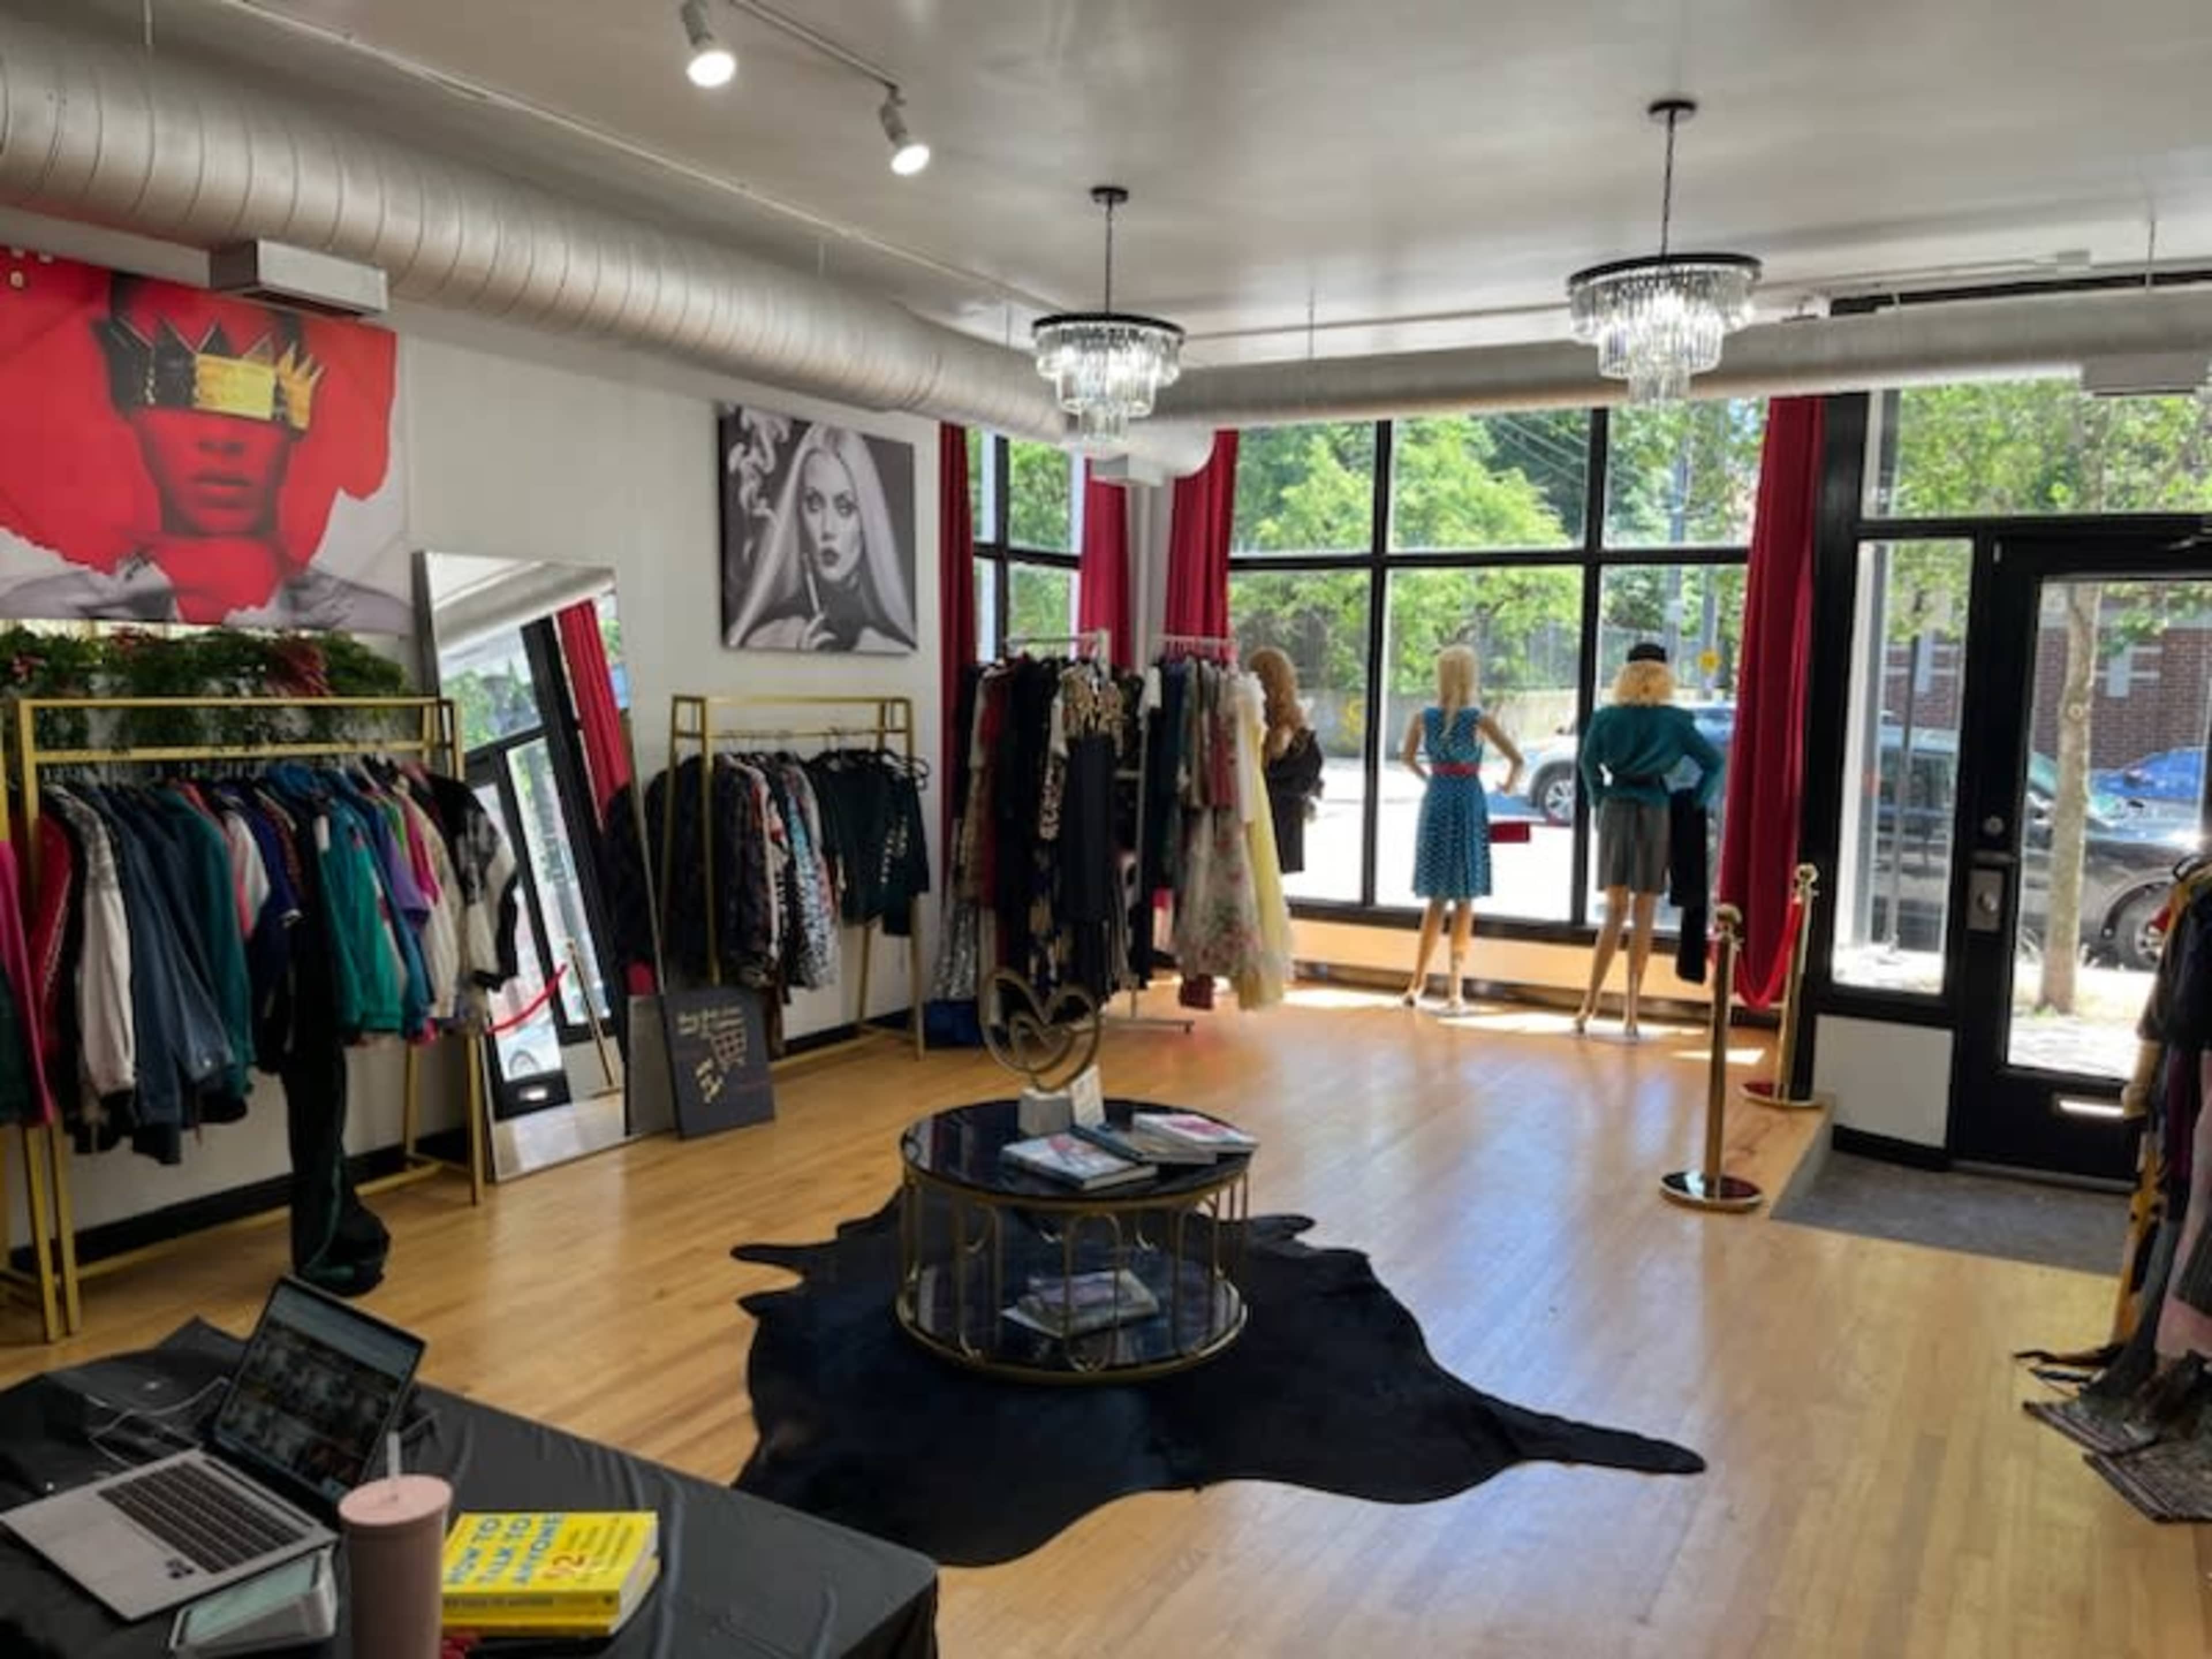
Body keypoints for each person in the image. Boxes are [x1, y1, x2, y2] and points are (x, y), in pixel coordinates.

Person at [2, 275, 409, 630]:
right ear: (133, 419)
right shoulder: (49, 610)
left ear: (295, 428)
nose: (222, 438)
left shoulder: (373, 619)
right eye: (178, 394)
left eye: (262, 401)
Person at [1573, 642, 1725, 1038]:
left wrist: (1598, 797)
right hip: (1656, 810)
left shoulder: (1606, 719)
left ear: (1626, 675)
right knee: (1644, 909)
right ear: (1663, 676)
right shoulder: (1676, 721)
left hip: (1616, 808)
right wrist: (1697, 799)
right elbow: (1714, 763)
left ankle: (1588, 1005)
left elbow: (1588, 764)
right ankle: (1631, 1011)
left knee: (1613, 909)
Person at [1400, 644, 1522, 1013]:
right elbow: (1517, 759)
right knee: (1465, 895)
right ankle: (1455, 989)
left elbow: (1406, 759)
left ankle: (1417, 983)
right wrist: (1507, 786)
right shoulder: (1479, 720)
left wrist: (1432, 778)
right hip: (1469, 799)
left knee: (1436, 896)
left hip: (1437, 799)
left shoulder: (1423, 717)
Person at [725, 425, 916, 653]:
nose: (828, 529)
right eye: (814, 505)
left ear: (867, 521)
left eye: (845, 508)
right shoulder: (770, 637)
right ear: (798, 512)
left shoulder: (893, 647)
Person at [1251, 647, 1325, 876]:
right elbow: (1308, 771)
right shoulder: (1292, 725)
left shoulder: (1253, 722)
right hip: (1283, 814)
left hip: (1261, 811)